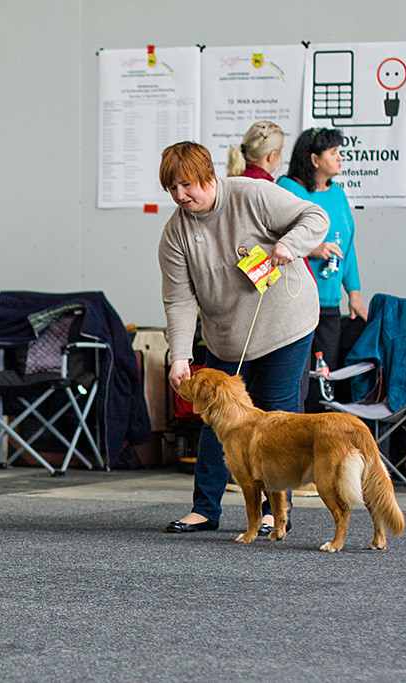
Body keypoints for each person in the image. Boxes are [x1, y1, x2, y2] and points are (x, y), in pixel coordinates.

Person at [158, 141, 328, 536]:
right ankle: (204, 509)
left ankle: (276, 511)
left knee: (277, 412)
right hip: (228, 336)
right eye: (172, 189)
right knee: (213, 416)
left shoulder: (251, 194)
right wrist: (180, 357)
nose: (180, 196)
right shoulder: (175, 235)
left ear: (209, 176)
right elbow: (179, 300)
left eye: (188, 186)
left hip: (287, 324)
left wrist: (290, 244)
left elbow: (314, 216)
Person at [277, 128, 368, 413]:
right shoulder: (287, 189)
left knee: (322, 378)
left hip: (329, 304)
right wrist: (313, 248)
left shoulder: (338, 194)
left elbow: (347, 246)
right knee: (297, 380)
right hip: (295, 302)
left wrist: (354, 293)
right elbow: (272, 238)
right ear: (315, 159)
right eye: (333, 153)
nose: (340, 158)